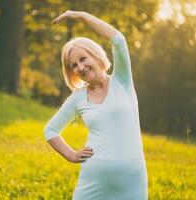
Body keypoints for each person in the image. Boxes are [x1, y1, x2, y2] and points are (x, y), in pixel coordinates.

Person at [43, 10, 148, 200]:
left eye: (83, 59)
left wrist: (82, 16)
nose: (80, 67)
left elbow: (118, 40)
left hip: (132, 181)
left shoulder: (122, 81)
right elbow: (50, 131)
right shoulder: (78, 98)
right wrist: (70, 154)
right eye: (74, 65)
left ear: (95, 55)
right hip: (94, 182)